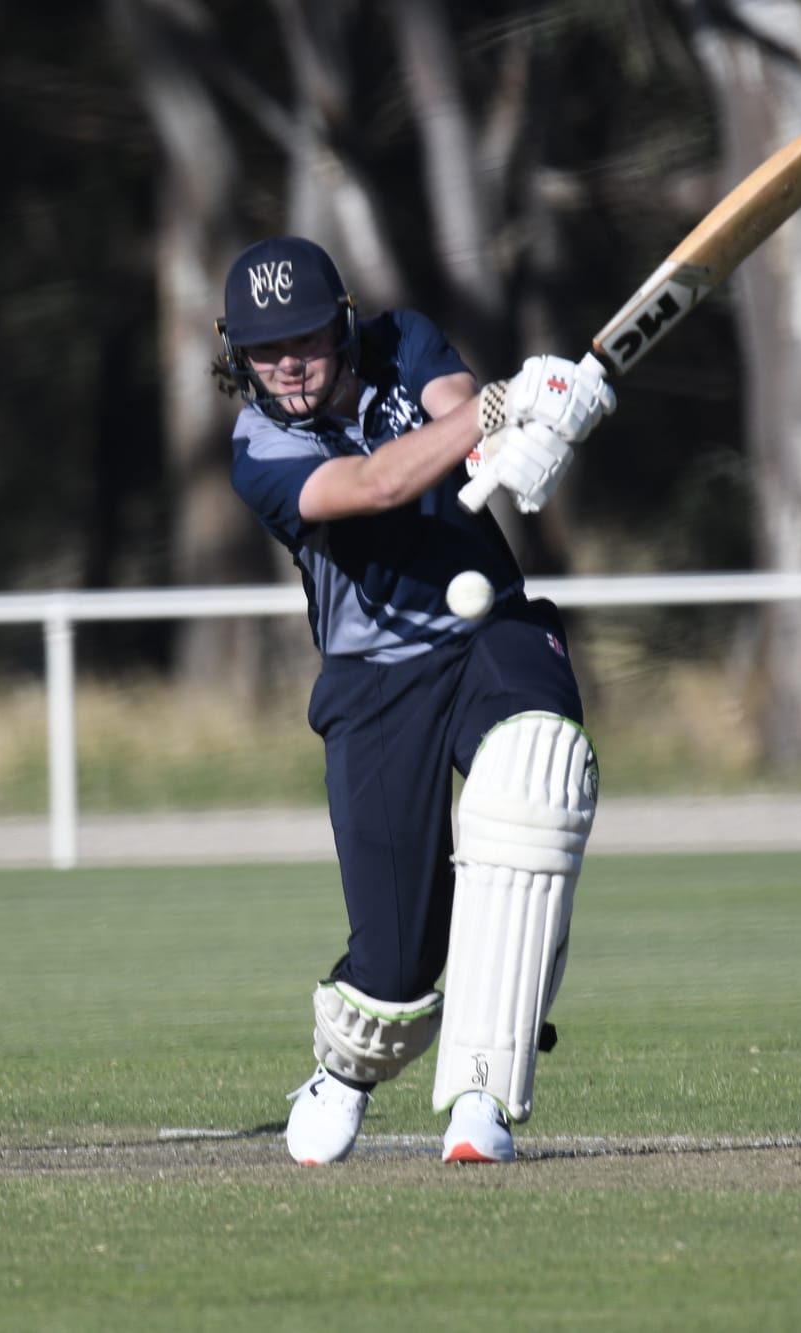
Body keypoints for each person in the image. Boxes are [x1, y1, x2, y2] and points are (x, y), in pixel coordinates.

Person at [215, 235, 611, 1164]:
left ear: (344, 323)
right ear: (240, 358)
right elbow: (379, 480)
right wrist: (505, 411)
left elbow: (458, 410)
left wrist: (536, 428)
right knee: (395, 966)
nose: (289, 364)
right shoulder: (257, 449)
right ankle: (347, 1068)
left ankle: (483, 1098)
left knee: (534, 778)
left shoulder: (405, 342)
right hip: (375, 679)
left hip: (490, 633)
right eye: (266, 350)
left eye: (306, 339)